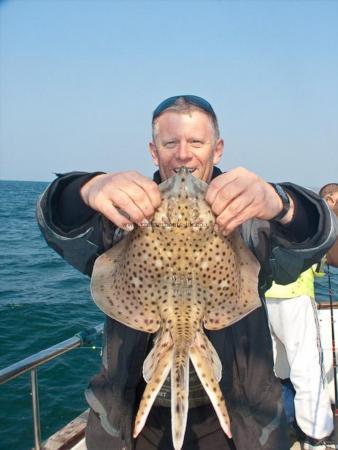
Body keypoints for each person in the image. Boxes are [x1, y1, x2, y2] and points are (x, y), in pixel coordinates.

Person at [36, 95, 338, 450]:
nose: (183, 155)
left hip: (239, 427)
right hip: (131, 425)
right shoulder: (121, 216)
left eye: (196, 141)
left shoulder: (249, 220)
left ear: (218, 149)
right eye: (170, 143)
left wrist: (281, 203)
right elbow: (56, 221)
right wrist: (87, 187)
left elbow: (321, 239)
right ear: (154, 151)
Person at [265, 268, 335, 449]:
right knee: (307, 370)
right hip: (296, 291)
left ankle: (285, 426)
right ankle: (318, 437)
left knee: (277, 369)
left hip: (263, 292)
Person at [315, 184, 338, 303]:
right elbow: (319, 271)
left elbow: (319, 271)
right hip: (296, 296)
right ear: (330, 200)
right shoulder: (321, 228)